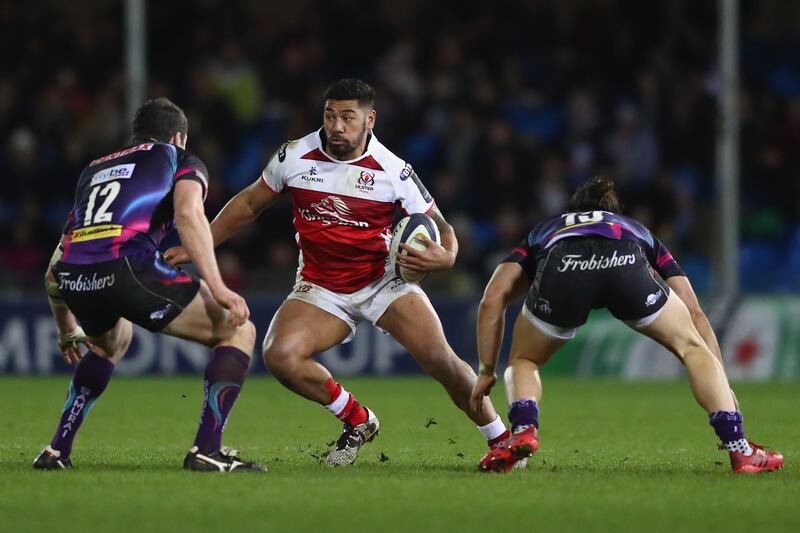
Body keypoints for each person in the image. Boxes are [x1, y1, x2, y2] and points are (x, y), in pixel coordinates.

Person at [165, 79, 511, 466]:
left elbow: (443, 228)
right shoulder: (294, 156)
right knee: (280, 356)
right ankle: (357, 419)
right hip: (320, 286)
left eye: (348, 117)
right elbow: (248, 204)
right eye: (330, 115)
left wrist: (446, 258)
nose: (337, 126)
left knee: (441, 360)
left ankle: (501, 440)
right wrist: (202, 242)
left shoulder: (393, 170)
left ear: (370, 119)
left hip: (383, 282)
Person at [470, 176, 784, 474]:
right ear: (613, 212)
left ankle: (524, 430)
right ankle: (739, 447)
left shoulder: (546, 229)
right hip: (626, 260)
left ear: (572, 211)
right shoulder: (635, 228)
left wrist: (486, 371)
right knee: (691, 348)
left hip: (565, 263)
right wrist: (723, 387)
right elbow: (695, 311)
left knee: (525, 361)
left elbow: (492, 298)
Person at [35, 98, 265, 472]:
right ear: (179, 136)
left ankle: (56, 451)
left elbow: (54, 270)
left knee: (111, 343)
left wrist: (66, 331)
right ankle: (207, 450)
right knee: (238, 330)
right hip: (128, 265)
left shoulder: (94, 169)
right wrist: (218, 286)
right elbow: (189, 214)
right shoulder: (179, 158)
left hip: (76, 276)